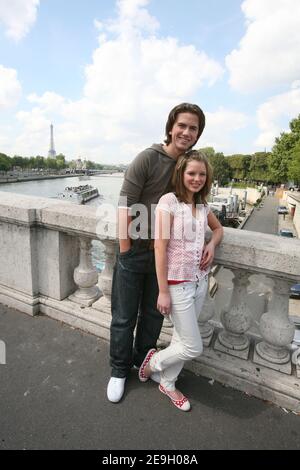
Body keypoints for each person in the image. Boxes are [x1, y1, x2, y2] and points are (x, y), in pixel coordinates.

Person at [107, 103, 206, 403]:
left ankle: (142, 362)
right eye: (183, 126)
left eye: (194, 128)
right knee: (124, 317)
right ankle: (119, 370)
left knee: (152, 315)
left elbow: (197, 208)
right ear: (171, 127)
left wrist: (211, 242)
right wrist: (125, 252)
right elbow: (125, 207)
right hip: (135, 251)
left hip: (164, 256)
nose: (187, 132)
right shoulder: (148, 159)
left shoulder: (186, 166)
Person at [138, 150, 223, 411]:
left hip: (198, 282)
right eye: (191, 173)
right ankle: (152, 363)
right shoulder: (169, 202)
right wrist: (163, 291)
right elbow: (160, 247)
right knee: (192, 346)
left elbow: (219, 229)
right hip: (176, 284)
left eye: (201, 174)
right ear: (181, 174)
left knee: (181, 338)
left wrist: (212, 246)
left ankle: (168, 383)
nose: (197, 178)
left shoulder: (203, 206)